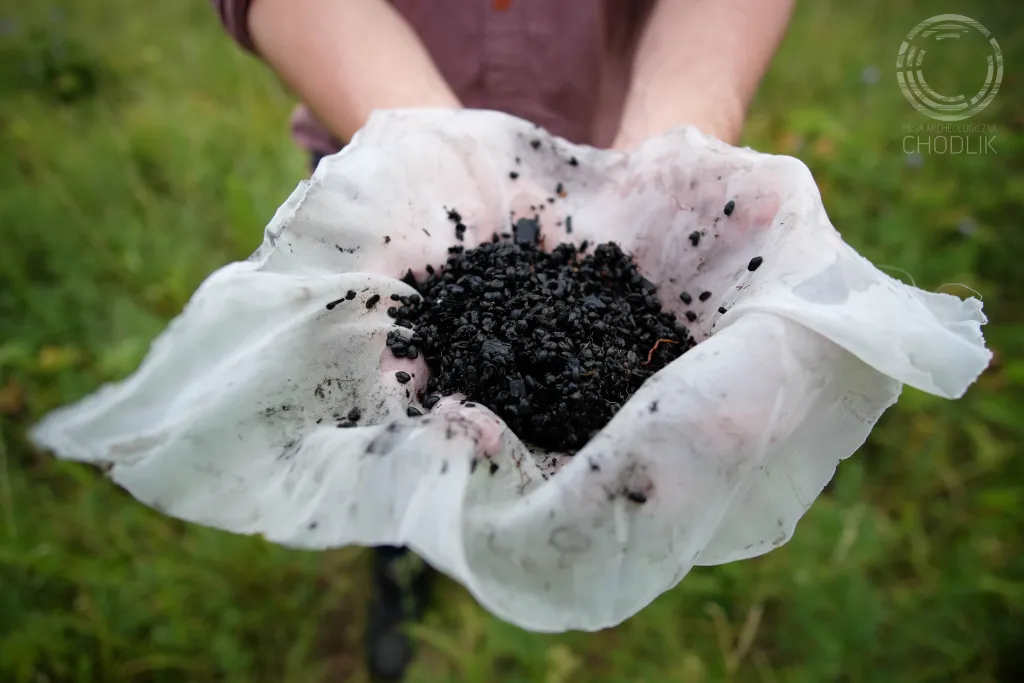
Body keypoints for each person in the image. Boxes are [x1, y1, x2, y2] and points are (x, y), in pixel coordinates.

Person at [209, 0, 795, 679]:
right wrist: (428, 150)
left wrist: (682, 135)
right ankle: (401, 555)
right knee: (391, 417)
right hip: (385, 177)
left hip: (610, 164)